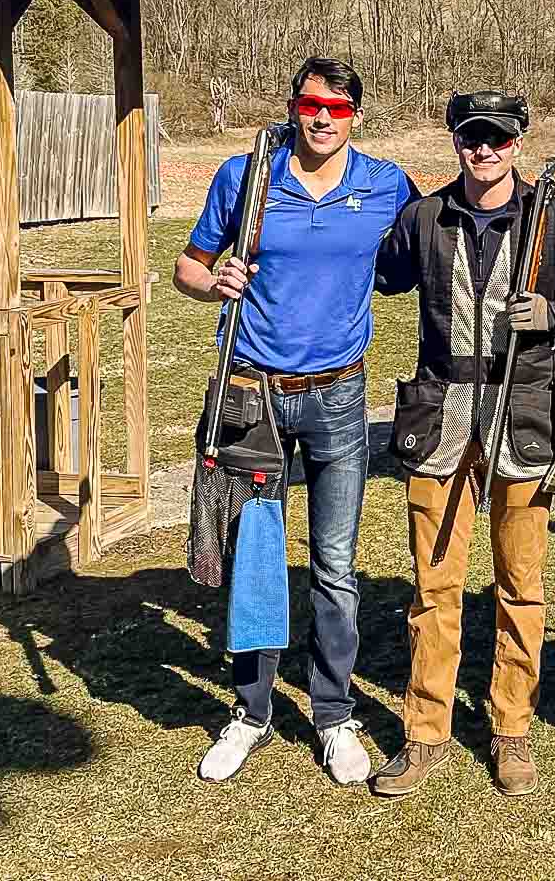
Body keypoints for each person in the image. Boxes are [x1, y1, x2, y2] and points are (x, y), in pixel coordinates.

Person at [173, 56, 416, 786]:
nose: (322, 118)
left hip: (340, 397)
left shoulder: (384, 184)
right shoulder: (246, 176)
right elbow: (188, 266)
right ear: (292, 107)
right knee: (256, 557)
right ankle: (251, 712)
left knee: (334, 566)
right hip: (255, 395)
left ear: (356, 116)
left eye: (337, 108)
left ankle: (334, 714)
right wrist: (212, 281)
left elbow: (423, 253)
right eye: (311, 105)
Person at [371, 90, 555, 798]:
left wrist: (554, 312)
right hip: (442, 419)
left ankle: (511, 726)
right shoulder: (423, 218)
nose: (484, 150)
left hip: (522, 417)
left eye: (497, 138)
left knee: (521, 585)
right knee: (435, 585)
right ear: (456, 142)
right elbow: (369, 272)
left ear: (518, 142)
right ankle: (425, 731)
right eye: (471, 137)